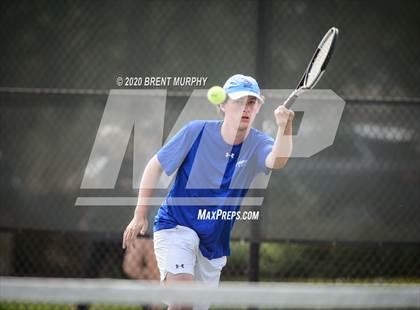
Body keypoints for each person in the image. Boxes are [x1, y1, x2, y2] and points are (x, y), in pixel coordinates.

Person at [122, 74, 294, 310]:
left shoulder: (257, 143)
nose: (245, 108)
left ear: (258, 108)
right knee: (182, 302)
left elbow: (278, 160)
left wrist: (285, 127)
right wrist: (140, 213)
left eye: (251, 102)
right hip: (176, 226)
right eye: (238, 101)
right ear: (223, 105)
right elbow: (155, 165)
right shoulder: (196, 132)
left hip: (213, 242)